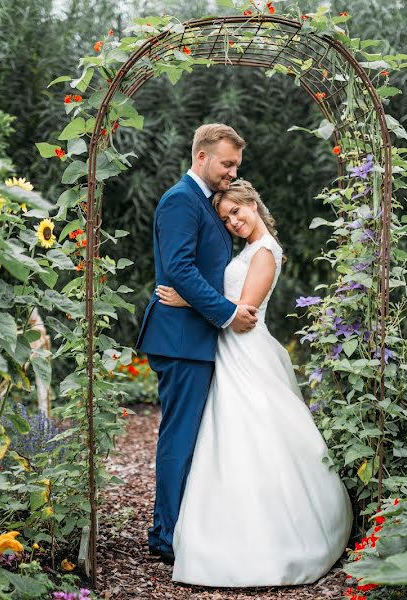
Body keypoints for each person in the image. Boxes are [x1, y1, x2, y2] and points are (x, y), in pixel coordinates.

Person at [155, 180, 352, 587]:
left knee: (254, 436)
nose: (233, 221)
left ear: (253, 204)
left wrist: (186, 299)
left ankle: (273, 536)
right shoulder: (245, 251)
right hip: (227, 349)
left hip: (244, 350)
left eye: (237, 211)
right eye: (226, 218)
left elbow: (244, 312)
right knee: (226, 441)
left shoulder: (265, 252)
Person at [136, 124, 259, 566]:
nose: (232, 172)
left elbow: (192, 274)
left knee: (194, 437)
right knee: (180, 437)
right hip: (181, 339)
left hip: (194, 335)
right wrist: (226, 312)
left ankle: (184, 525)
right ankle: (165, 536)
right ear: (202, 157)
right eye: (227, 164)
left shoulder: (204, 203)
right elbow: (180, 269)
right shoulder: (179, 201)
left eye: (236, 166)